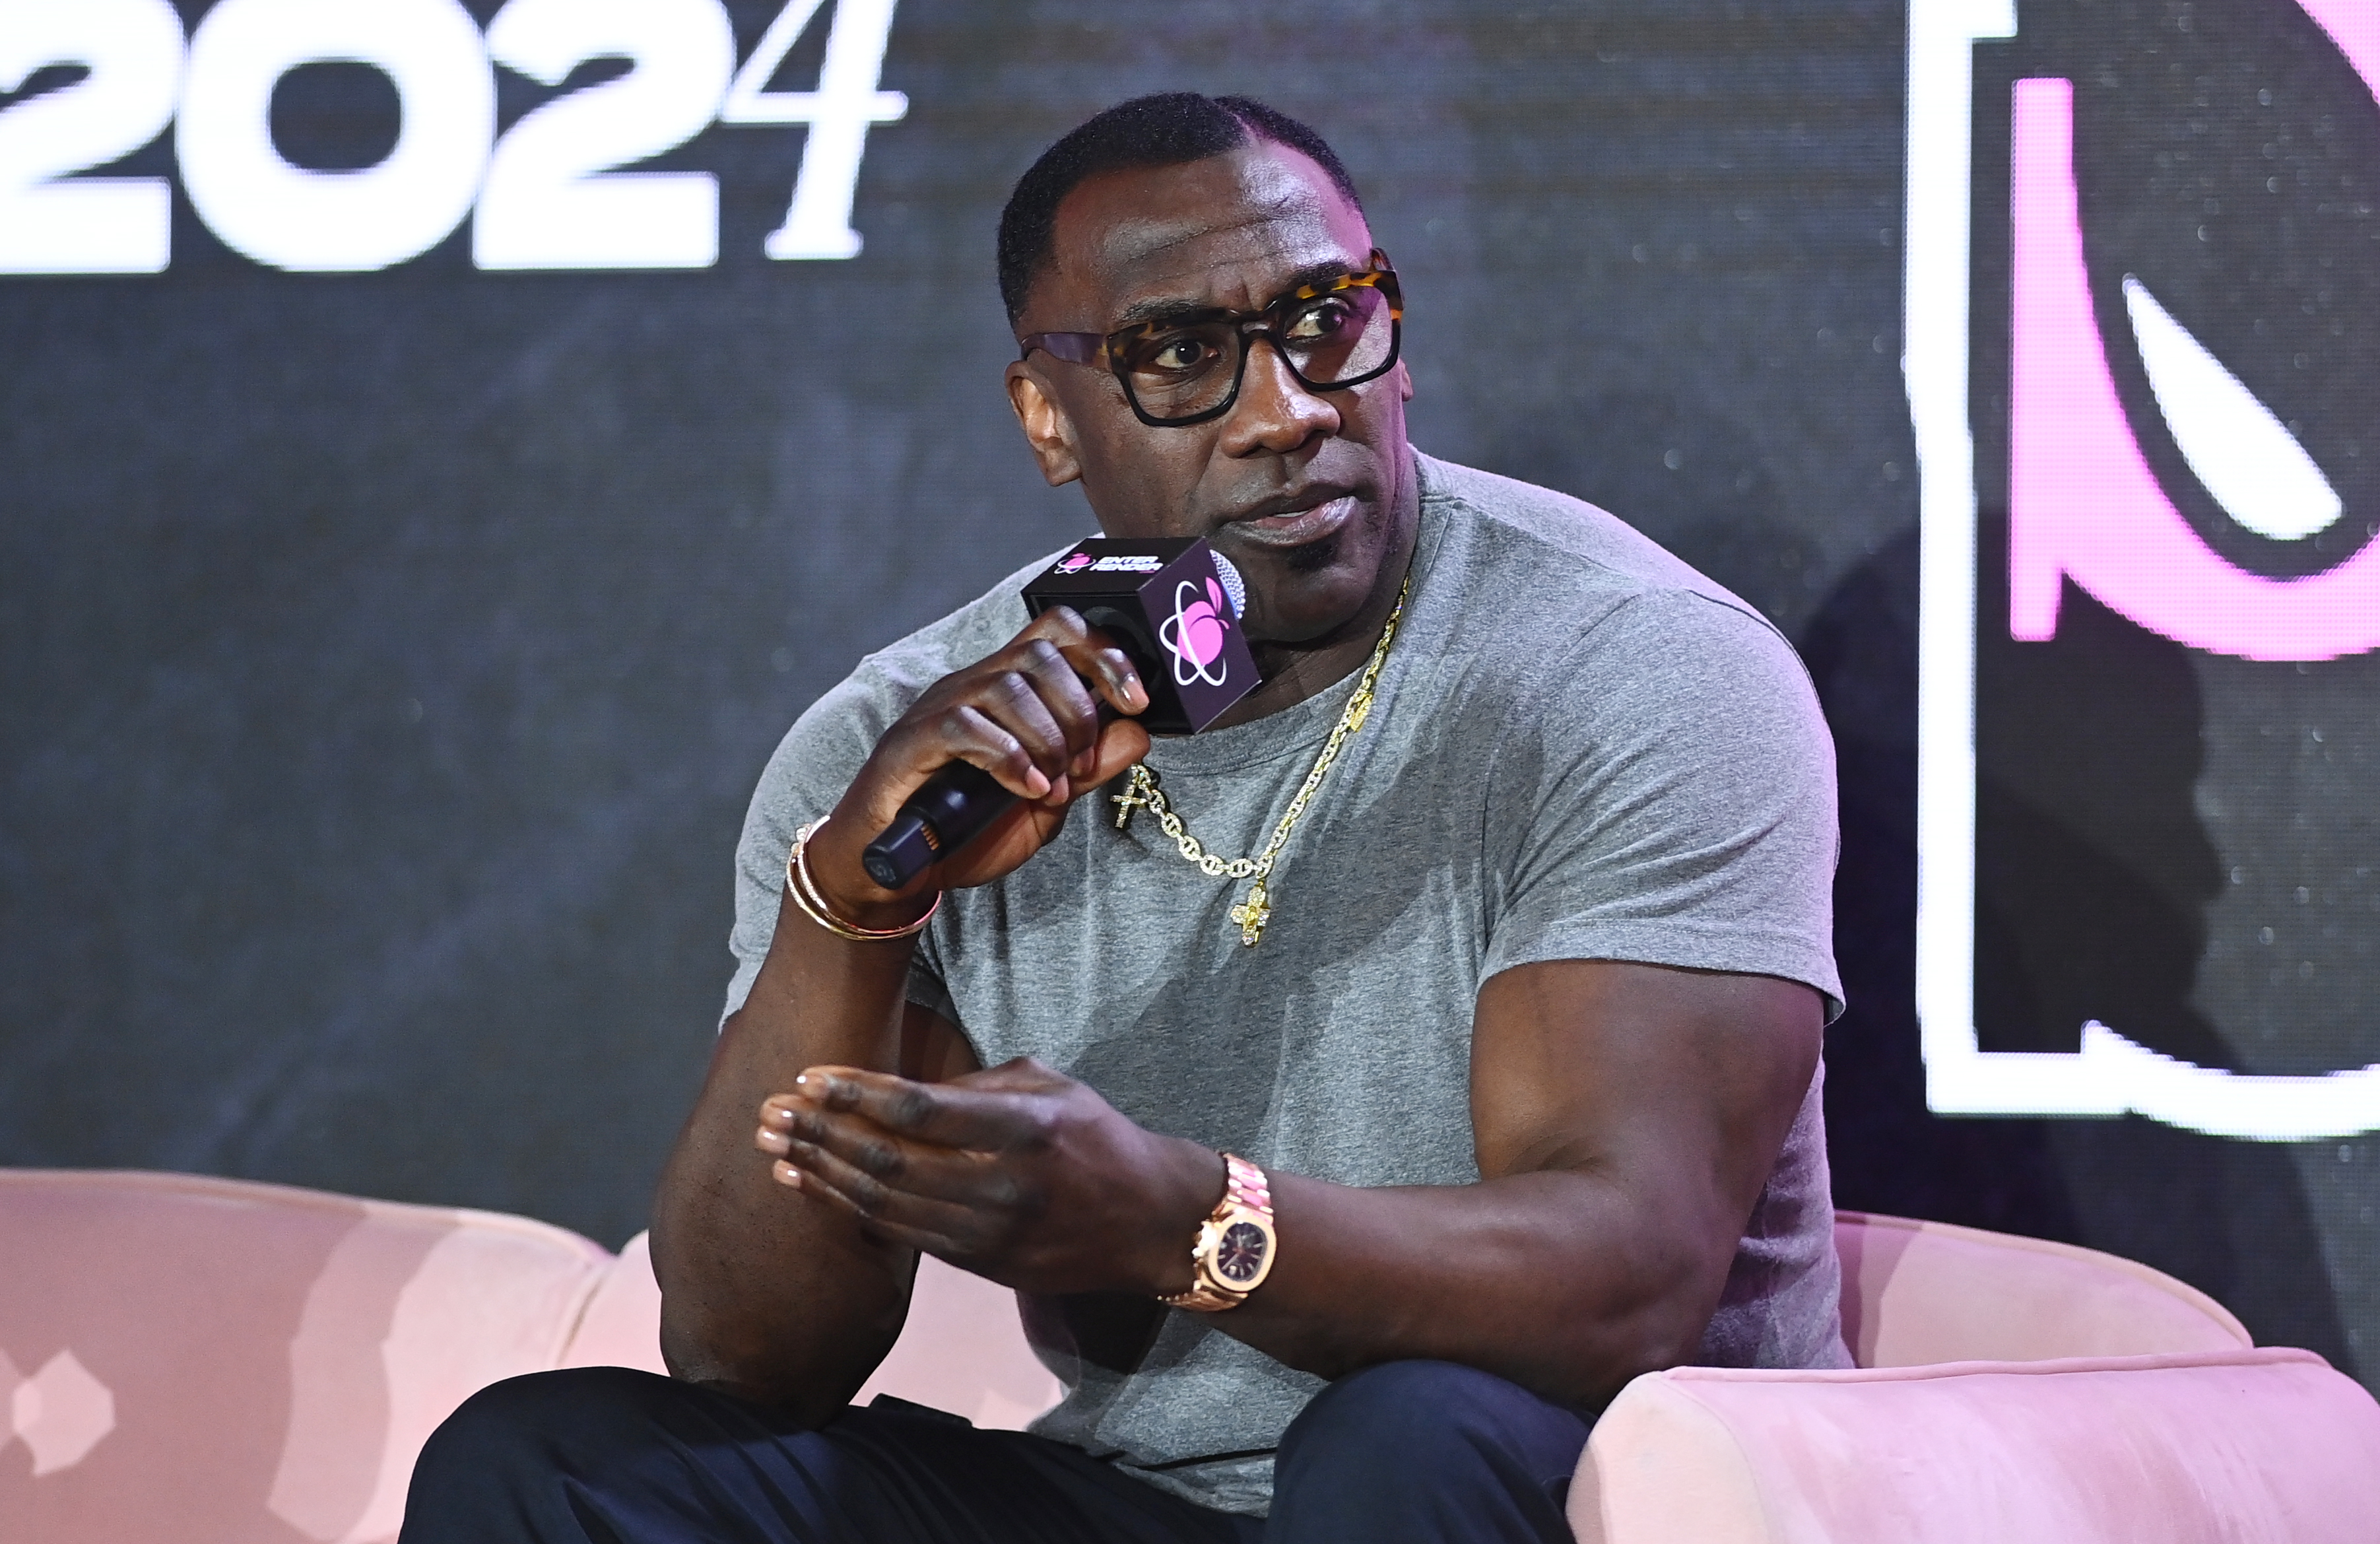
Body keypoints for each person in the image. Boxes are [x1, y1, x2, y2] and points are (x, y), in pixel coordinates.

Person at [401, 92, 1847, 1544]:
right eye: (1182, 357)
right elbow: (750, 1356)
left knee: (1405, 1432)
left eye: (1325, 323)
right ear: (1049, 417)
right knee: (548, 1465)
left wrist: (1179, 1218)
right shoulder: (906, 747)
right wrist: (851, 906)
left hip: (1585, 1485)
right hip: (1150, 1505)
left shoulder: (1627, 667)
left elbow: (1630, 1281)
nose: (1287, 411)